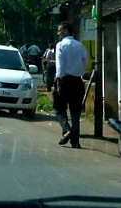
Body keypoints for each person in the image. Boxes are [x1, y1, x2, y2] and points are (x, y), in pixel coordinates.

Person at [54, 21, 87, 149]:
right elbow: (85, 61)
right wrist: (79, 70)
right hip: (77, 81)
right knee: (75, 112)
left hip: (65, 80)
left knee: (59, 108)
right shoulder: (79, 45)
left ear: (66, 31)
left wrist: (59, 81)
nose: (58, 33)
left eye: (60, 30)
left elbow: (60, 65)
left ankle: (66, 130)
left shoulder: (61, 45)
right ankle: (75, 141)